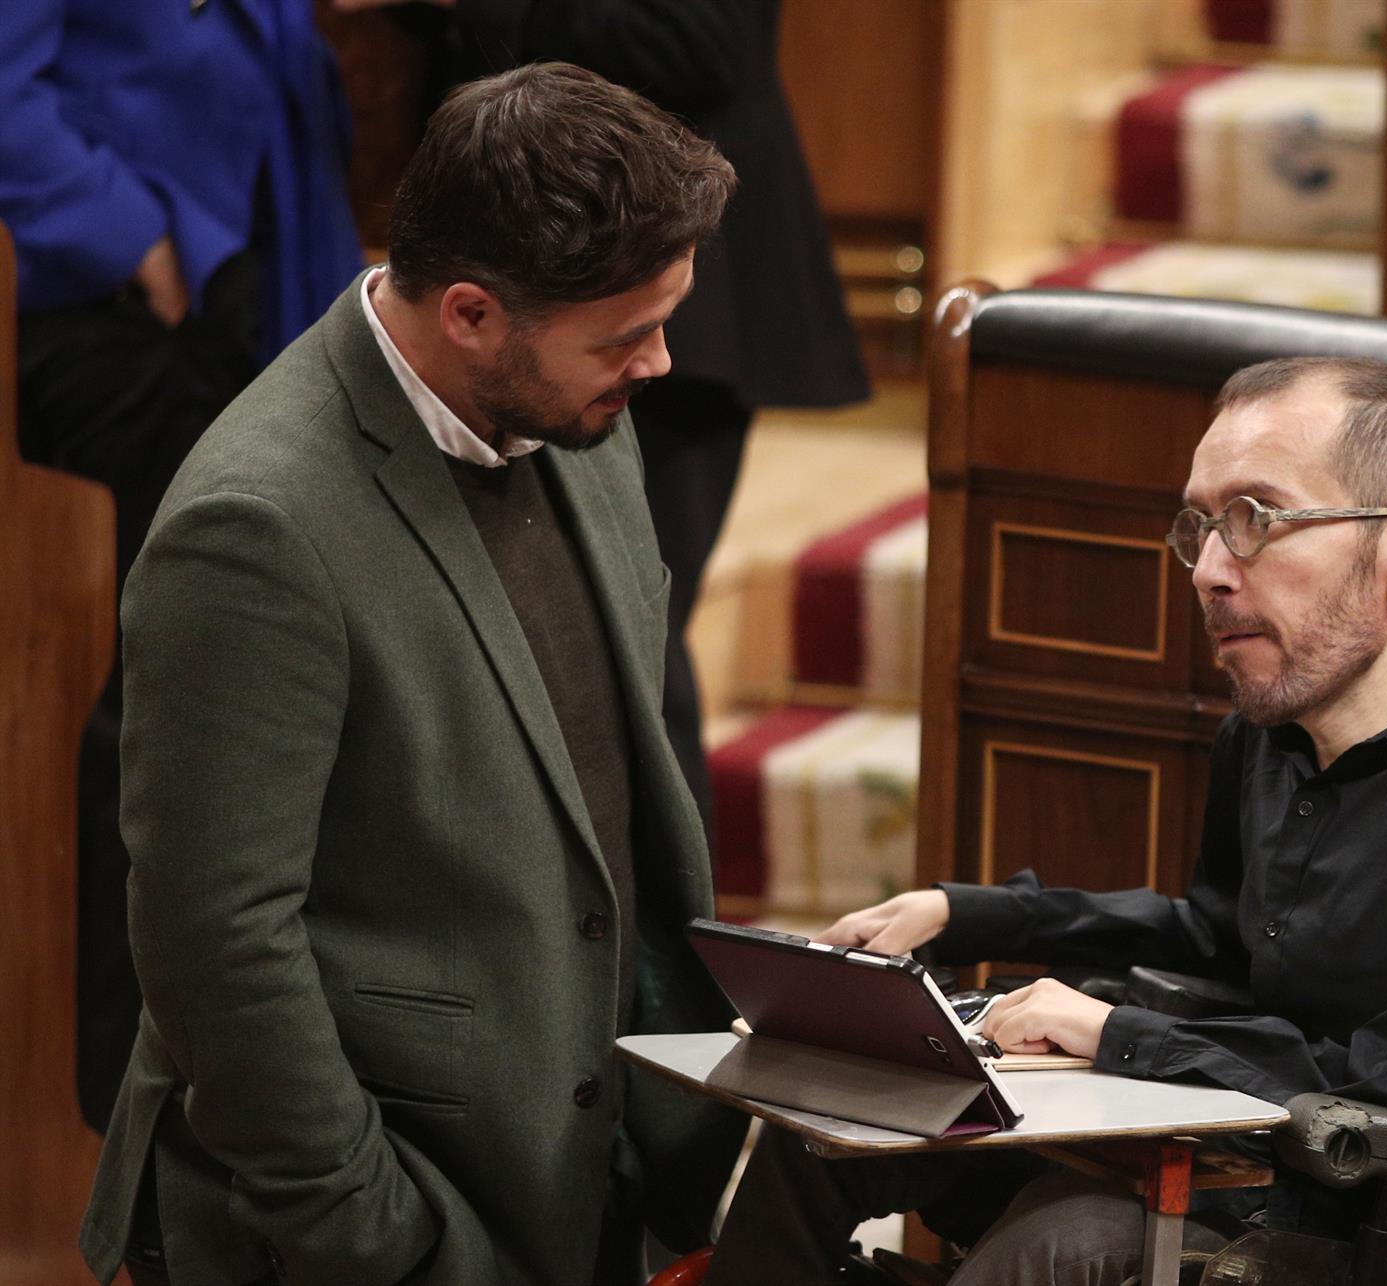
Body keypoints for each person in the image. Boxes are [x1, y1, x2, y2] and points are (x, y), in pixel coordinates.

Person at [703, 357, 1387, 1286]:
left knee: (1070, 1238)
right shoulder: (1268, 742)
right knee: (835, 1107)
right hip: (1225, 1154)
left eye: (1257, 518)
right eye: (1199, 526)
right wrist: (961, 915)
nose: (1209, 569)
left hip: (1369, 1227)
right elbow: (1216, 941)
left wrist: (1118, 1033)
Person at [79, 64, 745, 1286]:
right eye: (625, 335)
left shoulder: (578, 407)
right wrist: (370, 1231)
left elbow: (603, 803)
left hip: (571, 1177)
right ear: (474, 315)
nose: (658, 364)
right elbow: (214, 941)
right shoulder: (256, 524)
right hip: (376, 1216)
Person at [336, 0, 871, 833]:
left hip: (674, 296)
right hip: (513, 288)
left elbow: (702, 43)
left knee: (631, 652)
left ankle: (671, 946)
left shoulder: (649, 349)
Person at [1, 0, 367, 1131]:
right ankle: (123, 1113)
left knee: (249, 680)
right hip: (101, 304)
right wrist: (128, 233)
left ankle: (213, 1089)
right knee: (168, 693)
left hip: (243, 273)